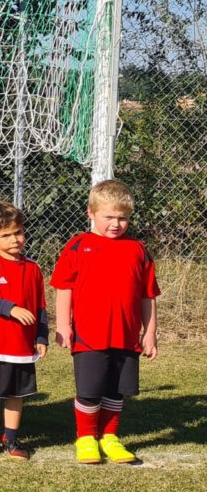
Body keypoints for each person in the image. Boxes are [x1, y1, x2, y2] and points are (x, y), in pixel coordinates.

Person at [50, 179, 159, 464]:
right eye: (108, 217)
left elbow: (148, 295)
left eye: (122, 218)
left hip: (126, 335)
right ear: (91, 213)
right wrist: (63, 325)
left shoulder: (138, 250)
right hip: (89, 335)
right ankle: (86, 438)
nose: (115, 224)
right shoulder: (78, 245)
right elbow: (64, 287)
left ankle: (109, 437)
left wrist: (150, 332)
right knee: (90, 390)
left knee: (116, 390)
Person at [0, 201, 47, 460]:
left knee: (17, 394)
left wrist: (41, 336)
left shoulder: (33, 268)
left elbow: (40, 306)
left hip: (22, 347)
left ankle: (11, 439)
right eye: (6, 235)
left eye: (18, 232)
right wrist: (11, 308)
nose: (15, 239)